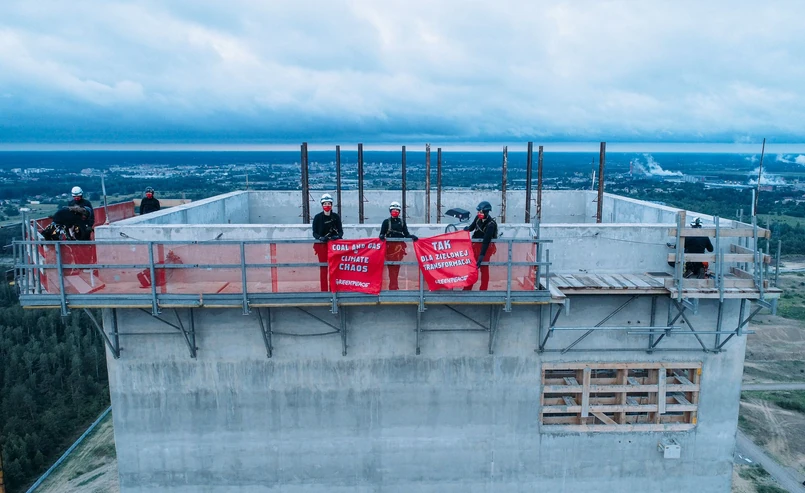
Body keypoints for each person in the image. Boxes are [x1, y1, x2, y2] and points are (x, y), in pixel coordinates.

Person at [379, 201, 418, 290]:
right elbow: (382, 234)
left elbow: (406, 234)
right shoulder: (386, 222)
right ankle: (392, 286)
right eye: (393, 210)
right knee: (390, 267)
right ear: (390, 211)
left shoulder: (402, 222)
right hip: (389, 249)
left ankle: (394, 286)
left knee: (397, 267)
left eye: (397, 210)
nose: (395, 212)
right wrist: (381, 236)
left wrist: (412, 237)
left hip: (399, 249)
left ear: (399, 212)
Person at [311, 193, 343, 292]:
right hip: (321, 247)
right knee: (323, 269)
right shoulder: (317, 217)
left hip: (334, 248)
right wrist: (320, 238)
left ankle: (333, 290)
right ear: (322, 205)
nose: (327, 206)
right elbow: (314, 232)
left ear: (332, 205)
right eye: (325, 204)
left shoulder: (336, 217)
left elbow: (341, 232)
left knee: (334, 269)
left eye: (329, 203)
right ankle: (324, 291)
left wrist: (337, 237)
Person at [463, 201, 498, 291]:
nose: (479, 213)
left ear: (486, 212)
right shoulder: (478, 218)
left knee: (484, 268)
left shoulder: (491, 225)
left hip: (486, 249)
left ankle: (483, 290)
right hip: (475, 247)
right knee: (472, 268)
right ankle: (467, 288)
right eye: (478, 212)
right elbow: (472, 227)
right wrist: (466, 229)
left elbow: (486, 241)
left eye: (481, 212)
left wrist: (481, 256)